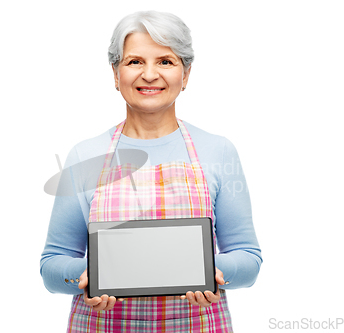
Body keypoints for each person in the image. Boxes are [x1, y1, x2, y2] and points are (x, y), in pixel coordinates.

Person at [40, 10, 262, 332]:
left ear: (185, 75)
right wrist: (88, 276)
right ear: (116, 74)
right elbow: (52, 265)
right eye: (134, 62)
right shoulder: (86, 155)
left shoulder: (218, 151)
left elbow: (249, 259)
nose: (149, 75)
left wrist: (209, 270)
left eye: (165, 61)